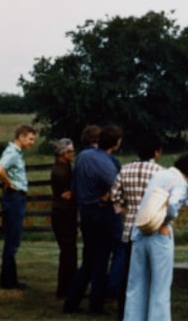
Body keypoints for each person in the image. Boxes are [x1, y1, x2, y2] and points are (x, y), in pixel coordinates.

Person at [124, 153, 188, 321]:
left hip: (140, 230)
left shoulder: (159, 174)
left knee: (136, 284)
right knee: (160, 287)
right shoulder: (181, 183)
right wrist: (165, 221)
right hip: (159, 235)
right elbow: (171, 205)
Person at [63, 125, 123, 315]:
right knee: (102, 259)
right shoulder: (104, 161)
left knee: (89, 259)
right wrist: (110, 196)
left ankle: (71, 301)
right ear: (116, 143)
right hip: (101, 212)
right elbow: (117, 186)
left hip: (86, 212)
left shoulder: (83, 157)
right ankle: (97, 303)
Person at [109, 133, 164, 317]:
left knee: (129, 274)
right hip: (153, 227)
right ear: (156, 153)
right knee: (153, 275)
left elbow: (115, 196)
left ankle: (125, 310)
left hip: (130, 227)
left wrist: (127, 206)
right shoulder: (160, 172)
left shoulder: (125, 170)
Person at [0, 124, 37, 290]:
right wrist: (9, 183)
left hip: (16, 198)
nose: (32, 142)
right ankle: (8, 281)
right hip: (14, 198)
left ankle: (9, 279)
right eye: (30, 139)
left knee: (13, 240)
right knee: (12, 241)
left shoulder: (16, 153)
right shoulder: (12, 153)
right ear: (21, 136)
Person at [51, 137, 78, 299]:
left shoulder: (65, 167)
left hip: (64, 211)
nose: (72, 153)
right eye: (70, 151)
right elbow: (69, 194)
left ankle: (69, 286)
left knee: (69, 250)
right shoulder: (61, 172)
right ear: (62, 153)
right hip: (63, 213)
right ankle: (65, 288)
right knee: (68, 251)